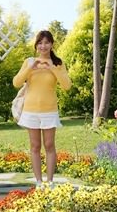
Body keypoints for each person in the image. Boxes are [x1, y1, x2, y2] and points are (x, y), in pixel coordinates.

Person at [13, 30, 72, 189]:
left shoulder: (58, 63)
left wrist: (53, 68)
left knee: (49, 145)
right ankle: (39, 182)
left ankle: (50, 181)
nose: (43, 46)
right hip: (30, 111)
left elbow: (67, 86)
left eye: (46, 42)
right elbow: (16, 83)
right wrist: (29, 68)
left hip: (49, 111)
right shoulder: (29, 62)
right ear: (36, 45)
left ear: (52, 44)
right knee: (35, 146)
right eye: (40, 43)